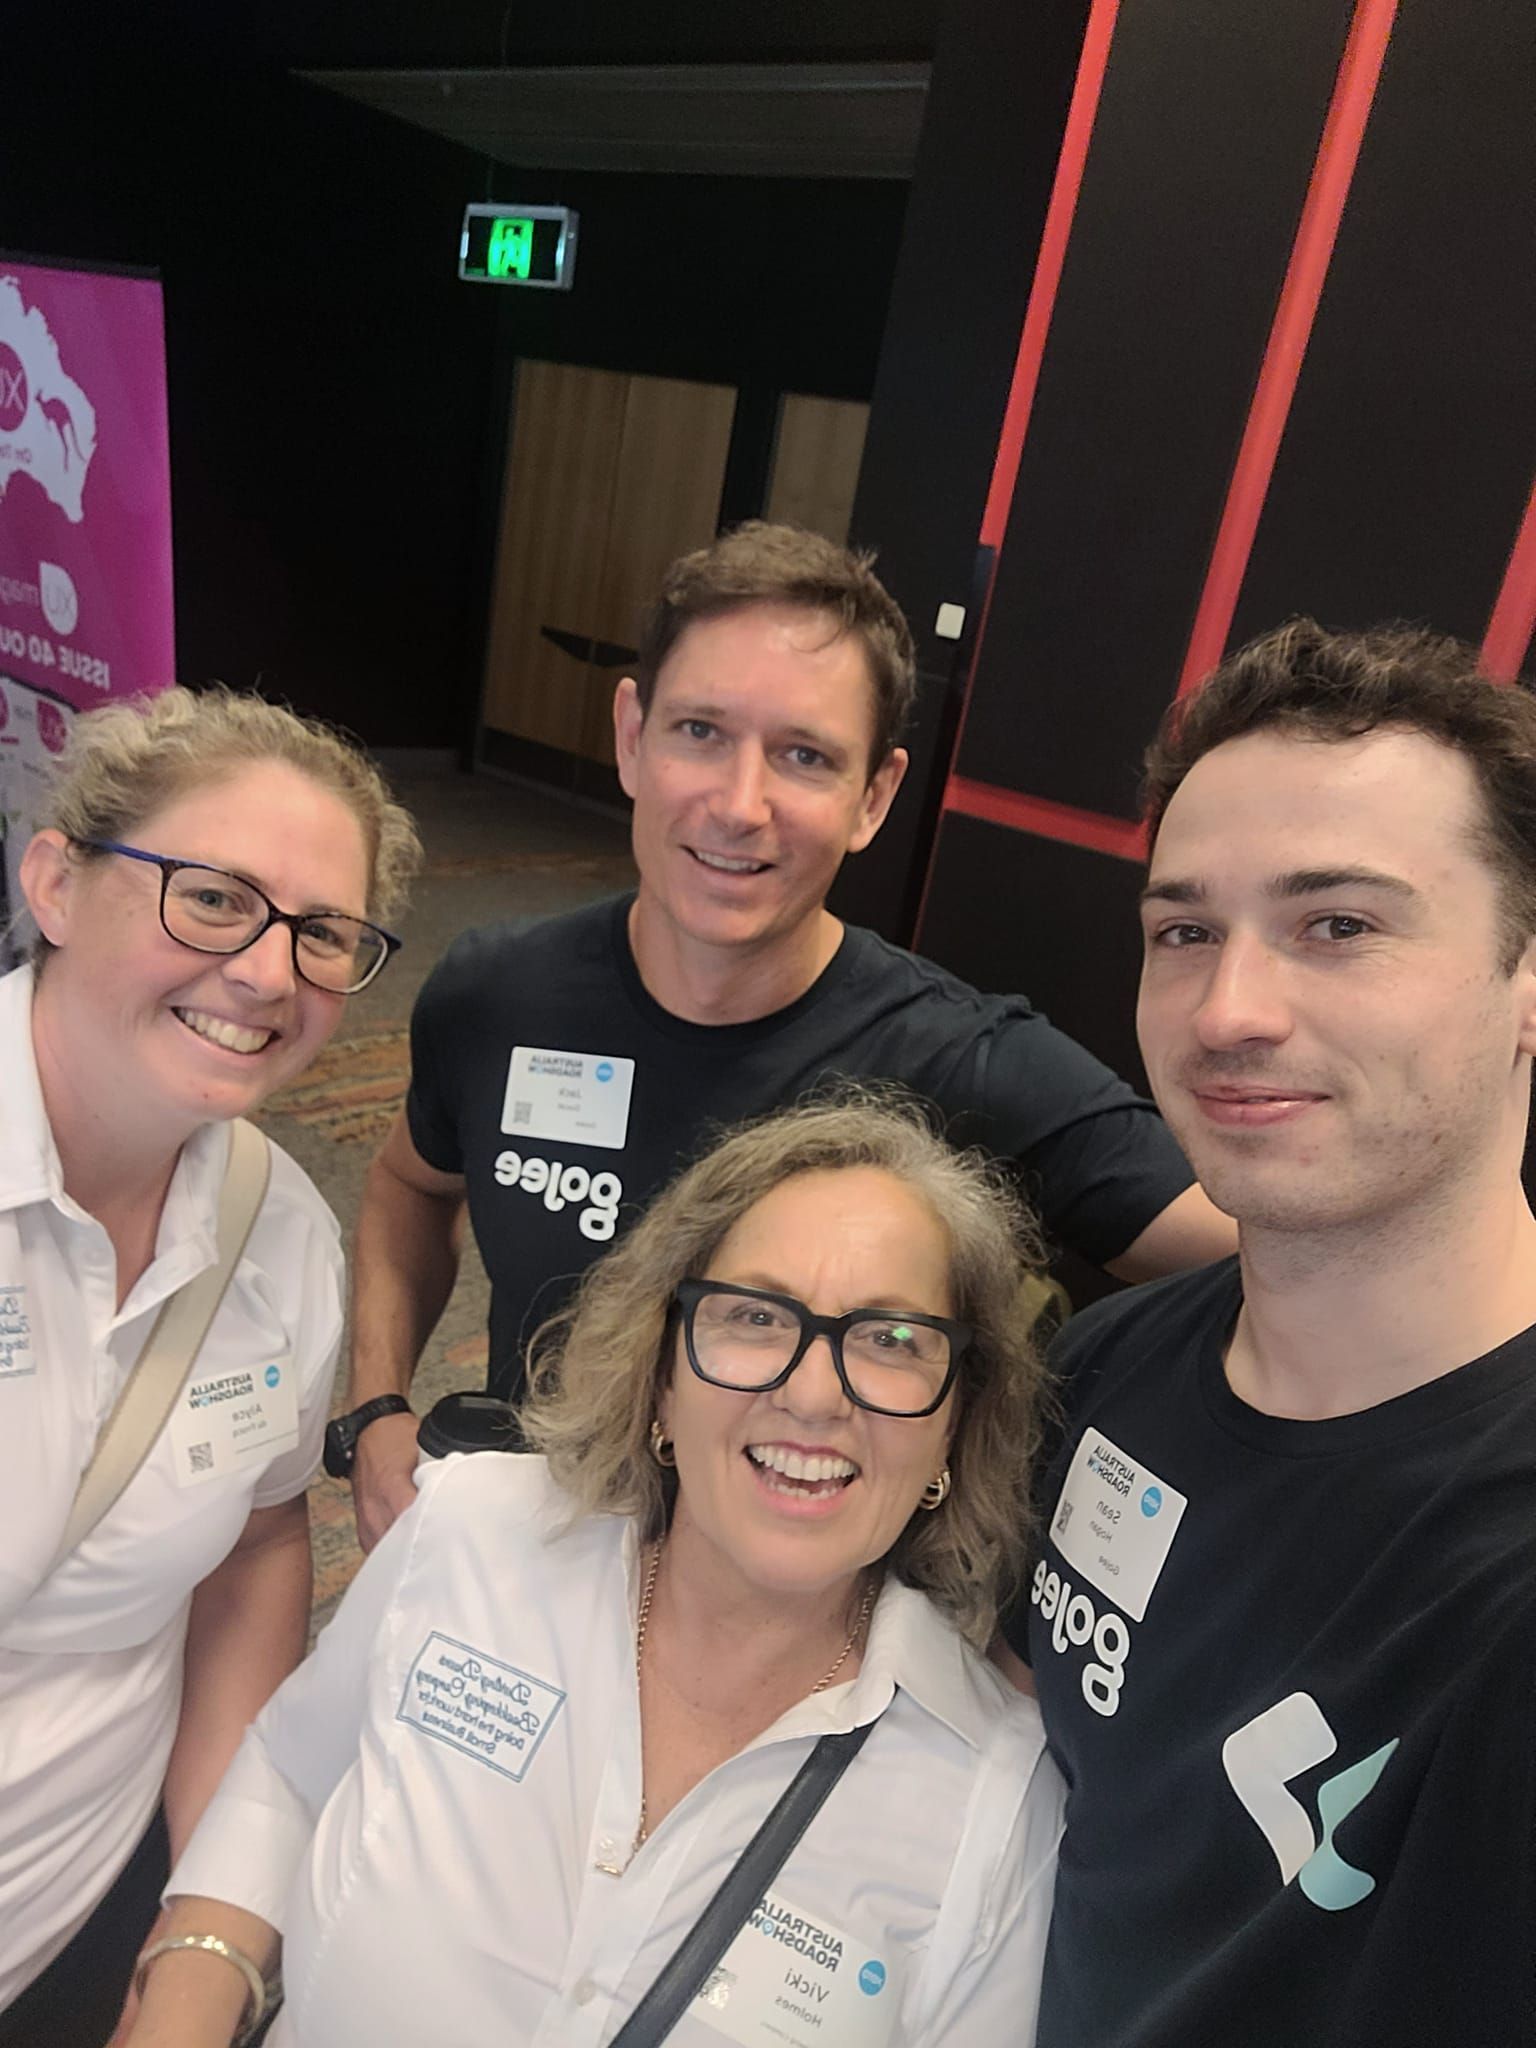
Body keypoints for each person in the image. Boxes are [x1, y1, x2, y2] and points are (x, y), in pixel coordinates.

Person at [341, 521, 1235, 1549]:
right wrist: (375, 1407)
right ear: (632, 734)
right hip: (529, 1562)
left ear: (874, 795)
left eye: (804, 755)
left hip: (788, 1621)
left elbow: (1271, 1253)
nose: (739, 803)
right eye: (700, 732)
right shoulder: (496, 993)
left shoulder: (952, 1055)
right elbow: (411, 1182)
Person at [125, 1094, 1065, 2046]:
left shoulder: (995, 1803)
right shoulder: (471, 1530)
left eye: (893, 1340)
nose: (814, 1394)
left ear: (956, 1418)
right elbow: (291, 1771)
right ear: (660, 1372)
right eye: (752, 1317)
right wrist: (193, 1987)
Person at [1000, 621, 1536, 2046]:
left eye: (1339, 925)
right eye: (1184, 931)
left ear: (1527, 979)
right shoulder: (1104, 1377)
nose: (1228, 1010)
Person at [0, 686, 419, 2046]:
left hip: (79, 1910)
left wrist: (204, 1925)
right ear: (56, 881)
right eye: (214, 899)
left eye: (321, 935)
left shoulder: (278, 1231)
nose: (264, 972)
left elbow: (253, 1547)